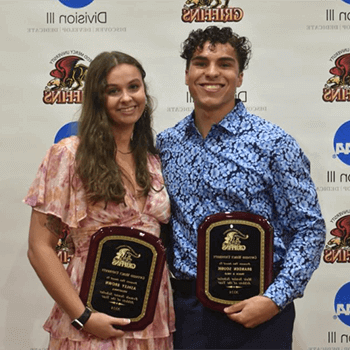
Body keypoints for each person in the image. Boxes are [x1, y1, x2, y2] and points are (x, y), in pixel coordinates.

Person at [156, 26, 326, 350]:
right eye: (201, 62)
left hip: (259, 311)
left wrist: (275, 299)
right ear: (187, 73)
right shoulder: (166, 145)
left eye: (224, 63)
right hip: (187, 312)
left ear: (240, 76)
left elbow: (309, 228)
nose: (212, 73)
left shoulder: (274, 144)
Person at [24, 51, 175, 349]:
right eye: (113, 91)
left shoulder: (153, 160)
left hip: (150, 313)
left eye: (134, 87)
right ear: (97, 98)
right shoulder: (69, 155)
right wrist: (84, 316)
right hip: (91, 311)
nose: (127, 98)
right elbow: (39, 247)